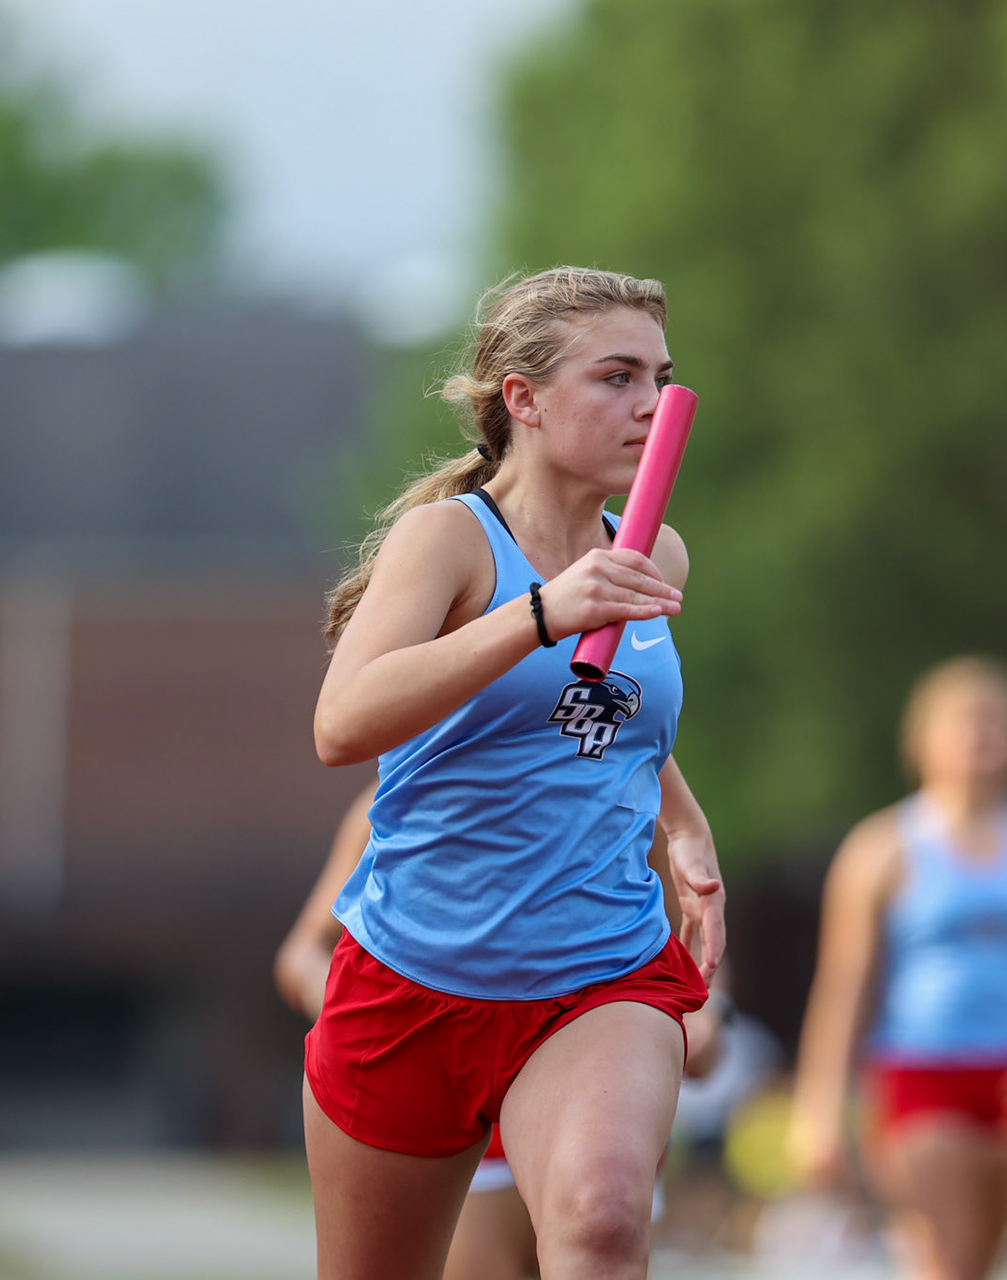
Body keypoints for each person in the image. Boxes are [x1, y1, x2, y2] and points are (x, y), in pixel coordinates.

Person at [304, 266, 725, 1280]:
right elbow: (341, 723)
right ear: (523, 400)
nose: (648, 404)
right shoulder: (449, 541)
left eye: (660, 380)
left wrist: (688, 829)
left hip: (597, 968)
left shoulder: (654, 552)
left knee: (602, 1222)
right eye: (616, 376)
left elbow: (607, 722)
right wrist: (539, 613)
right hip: (415, 971)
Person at [275, 781, 725, 1280]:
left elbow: (676, 945)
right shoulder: (405, 790)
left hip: (590, 1078)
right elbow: (302, 953)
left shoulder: (624, 781)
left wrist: (702, 1017)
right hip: (462, 1102)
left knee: (605, 1229)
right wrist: (367, 1018)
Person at [788, 657, 1007, 1280]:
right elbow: (844, 987)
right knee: (950, 1252)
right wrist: (818, 1109)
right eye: (966, 723)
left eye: (997, 725)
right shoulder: (881, 848)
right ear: (923, 739)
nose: (982, 738)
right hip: (921, 1073)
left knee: (977, 1261)